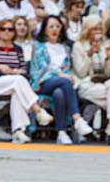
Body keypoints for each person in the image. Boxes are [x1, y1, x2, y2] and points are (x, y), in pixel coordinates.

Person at [0, 19, 54, 144]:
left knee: (17, 90)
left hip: (15, 83)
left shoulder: (18, 49)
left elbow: (24, 71)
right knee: (18, 81)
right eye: (3, 29)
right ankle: (38, 110)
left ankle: (18, 131)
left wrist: (11, 71)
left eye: (10, 29)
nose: (7, 32)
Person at [30, 16, 93, 144]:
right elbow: (39, 70)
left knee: (59, 93)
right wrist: (60, 75)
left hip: (62, 84)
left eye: (57, 26)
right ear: (45, 29)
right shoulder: (38, 46)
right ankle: (77, 119)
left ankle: (61, 133)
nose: (55, 29)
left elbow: (67, 69)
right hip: (42, 83)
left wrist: (66, 76)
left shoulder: (65, 48)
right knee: (65, 82)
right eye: (51, 26)